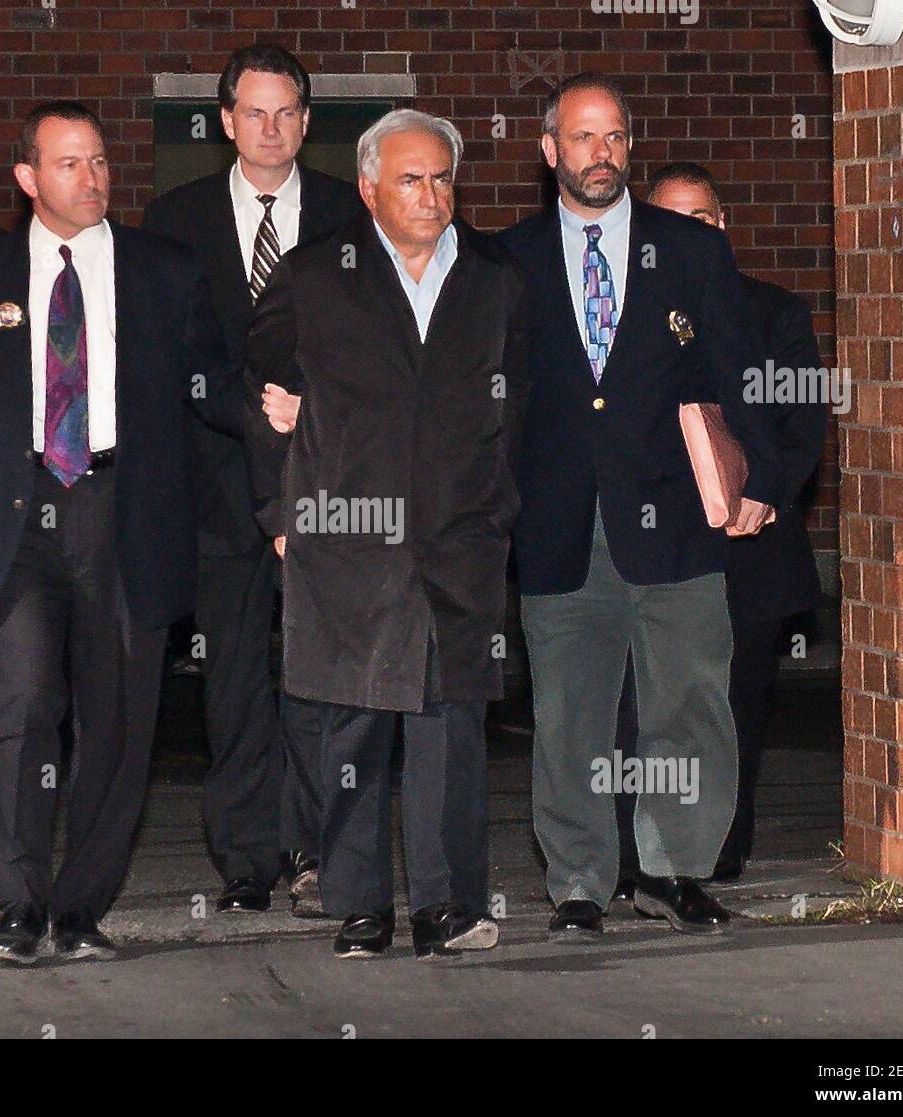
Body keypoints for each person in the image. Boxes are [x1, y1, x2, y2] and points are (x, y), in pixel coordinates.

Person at [0, 101, 237, 964]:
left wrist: (275, 410)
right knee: (16, 704)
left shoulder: (162, 269)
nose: (91, 178)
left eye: (99, 161)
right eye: (69, 164)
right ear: (26, 179)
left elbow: (210, 380)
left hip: (121, 507)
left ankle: (82, 906)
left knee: (119, 720)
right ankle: (15, 901)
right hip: (13, 515)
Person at [499, 74, 783, 938]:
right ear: (550, 150)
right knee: (570, 714)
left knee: (689, 705)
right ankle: (579, 882)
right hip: (556, 527)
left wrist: (763, 478)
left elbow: (738, 374)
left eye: (615, 137)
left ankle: (675, 870)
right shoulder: (505, 260)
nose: (602, 154)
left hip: (677, 522)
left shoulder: (689, 250)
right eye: (583, 138)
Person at [245, 109, 529, 959]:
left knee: (451, 727)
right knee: (353, 727)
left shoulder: (496, 277)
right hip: (346, 540)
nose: (432, 195)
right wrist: (282, 515)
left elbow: (518, 417)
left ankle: (449, 907)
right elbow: (256, 400)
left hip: (459, 542)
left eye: (443, 177)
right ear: (369, 186)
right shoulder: (312, 276)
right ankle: (359, 902)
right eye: (412, 178)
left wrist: (496, 517)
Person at [141, 45, 361, 916]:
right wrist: (247, 416)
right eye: (253, 113)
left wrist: (315, 408)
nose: (271, 130)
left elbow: (381, 347)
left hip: (328, 488)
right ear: (225, 120)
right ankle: (244, 857)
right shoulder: (173, 220)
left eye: (287, 114)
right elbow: (165, 363)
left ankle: (317, 851)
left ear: (307, 122)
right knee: (232, 681)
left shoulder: (354, 215)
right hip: (220, 491)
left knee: (319, 677)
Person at [646, 161, 829, 880]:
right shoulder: (619, 314)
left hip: (749, 547)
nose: (687, 234)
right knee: (656, 705)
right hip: (654, 546)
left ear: (722, 227)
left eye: (701, 219)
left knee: (736, 704)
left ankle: (721, 846)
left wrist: (766, 489)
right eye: (668, 221)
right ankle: (653, 849)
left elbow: (803, 421)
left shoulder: (774, 312)